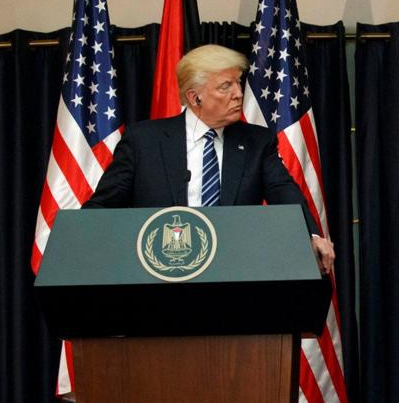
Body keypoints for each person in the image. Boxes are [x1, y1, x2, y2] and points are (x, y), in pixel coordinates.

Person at [84, 44, 335, 273]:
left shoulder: (257, 142)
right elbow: (103, 207)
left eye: (238, 83)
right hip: (159, 279)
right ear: (195, 97)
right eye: (226, 86)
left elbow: (284, 191)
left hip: (234, 276)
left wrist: (311, 234)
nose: (238, 94)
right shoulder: (144, 141)